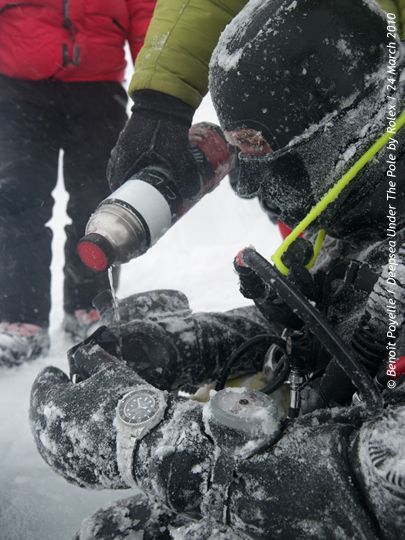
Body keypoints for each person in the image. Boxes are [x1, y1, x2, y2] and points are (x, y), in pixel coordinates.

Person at [29, 0, 405, 537]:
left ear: (348, 137)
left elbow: (383, 488)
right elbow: (340, 330)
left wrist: (151, 440)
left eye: (278, 164)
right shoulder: (371, 219)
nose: (257, 191)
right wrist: (176, 344)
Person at [0, 0, 156, 367]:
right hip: (18, 82)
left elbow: (146, 11)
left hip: (98, 85)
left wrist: (154, 92)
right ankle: (21, 315)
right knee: (17, 197)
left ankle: (90, 304)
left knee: (98, 203)